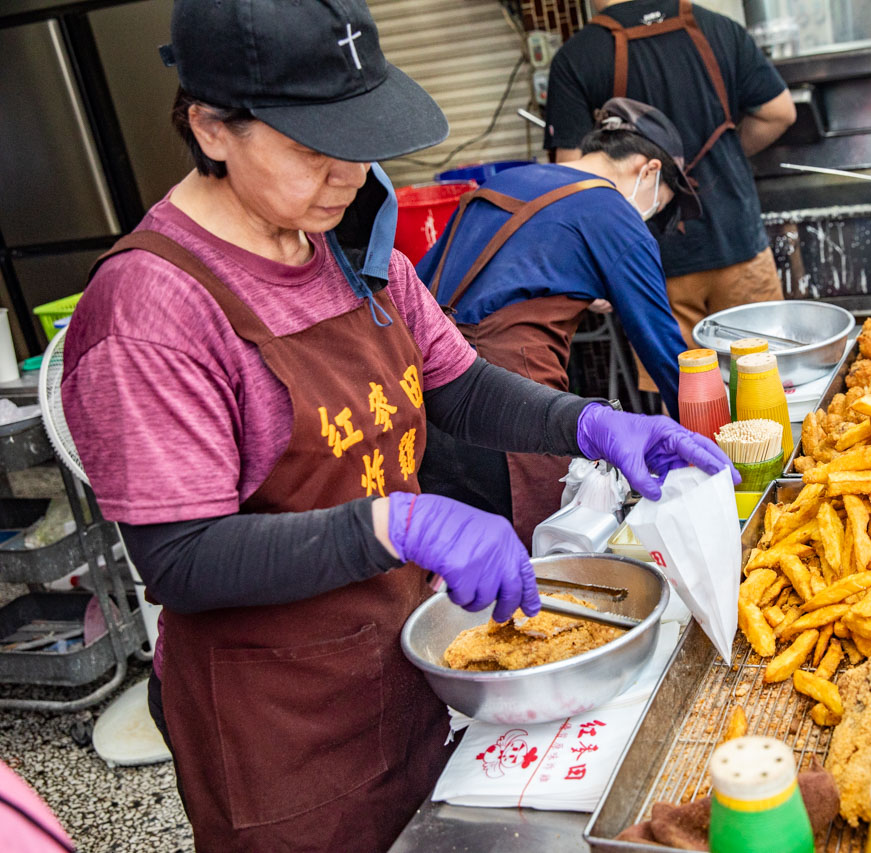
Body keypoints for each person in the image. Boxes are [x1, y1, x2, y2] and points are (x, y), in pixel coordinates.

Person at [60, 2, 734, 851]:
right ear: (210, 127)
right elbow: (180, 557)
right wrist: (398, 522)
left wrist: (593, 426)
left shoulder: (345, 244)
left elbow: (457, 387)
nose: (349, 171)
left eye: (362, 137)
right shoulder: (152, 310)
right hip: (280, 729)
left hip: (404, 665)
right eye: (314, 146)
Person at [415, 97, 697, 546]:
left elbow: (423, 284)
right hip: (509, 402)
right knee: (549, 559)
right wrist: (704, 440)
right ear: (648, 169)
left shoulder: (508, 180)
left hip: (428, 393)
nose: (649, 215)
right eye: (657, 206)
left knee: (461, 566)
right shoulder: (612, 209)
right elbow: (664, 348)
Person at [545, 0, 796, 394]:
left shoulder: (578, 55)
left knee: (687, 400)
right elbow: (780, 112)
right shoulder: (720, 29)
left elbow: (572, 177)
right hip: (738, 242)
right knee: (763, 390)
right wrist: (726, 159)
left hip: (651, 263)